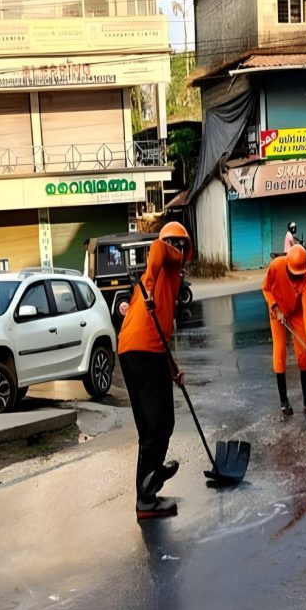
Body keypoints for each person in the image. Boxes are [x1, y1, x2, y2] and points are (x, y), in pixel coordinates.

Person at [119, 221, 192, 519]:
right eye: (181, 247)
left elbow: (159, 330)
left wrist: (172, 368)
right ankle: (146, 497)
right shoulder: (163, 267)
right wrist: (174, 246)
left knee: (153, 427)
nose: (183, 255)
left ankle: (150, 481)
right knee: (159, 425)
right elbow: (160, 250)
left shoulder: (167, 282)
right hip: (142, 352)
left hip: (133, 351)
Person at [263, 244, 306, 416]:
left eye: (299, 274)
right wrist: (275, 308)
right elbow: (265, 288)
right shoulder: (276, 265)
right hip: (276, 310)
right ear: (287, 264)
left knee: (304, 353)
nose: (296, 278)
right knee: (279, 352)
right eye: (293, 274)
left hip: (296, 312)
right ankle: (284, 401)